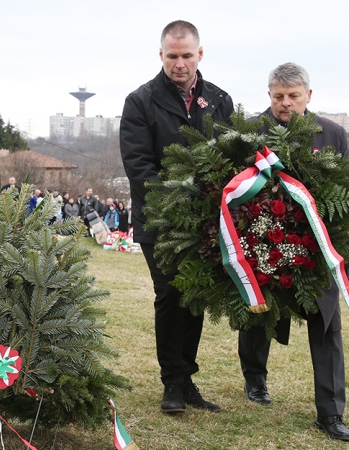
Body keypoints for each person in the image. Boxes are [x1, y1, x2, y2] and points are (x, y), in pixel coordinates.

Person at [238, 62, 349, 442]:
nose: (286, 104)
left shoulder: (333, 133)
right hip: (266, 244)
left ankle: (330, 413)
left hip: (316, 247)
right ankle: (255, 379)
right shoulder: (251, 133)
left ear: (308, 96)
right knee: (259, 316)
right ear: (269, 96)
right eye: (279, 96)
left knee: (327, 326)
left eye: (294, 96)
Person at [120, 20, 234, 414]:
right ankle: (171, 382)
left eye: (187, 55)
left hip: (206, 224)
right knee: (170, 295)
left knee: (196, 296)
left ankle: (187, 380)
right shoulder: (140, 101)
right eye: (173, 56)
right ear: (161, 55)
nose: (180, 63)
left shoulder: (220, 101)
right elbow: (139, 165)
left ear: (199, 54)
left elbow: (227, 160)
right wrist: (179, 202)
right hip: (161, 224)